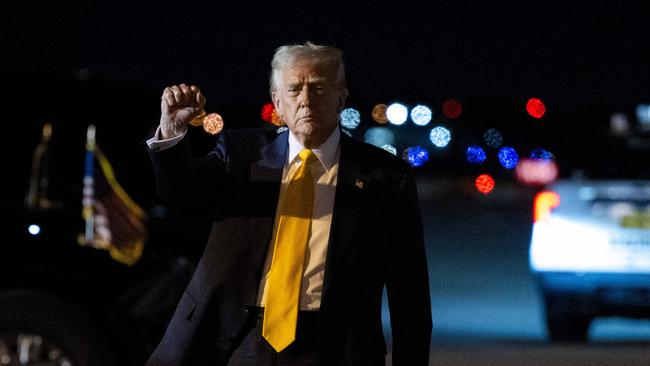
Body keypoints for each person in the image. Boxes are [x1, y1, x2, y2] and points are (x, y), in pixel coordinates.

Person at [145, 42, 431, 366]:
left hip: (335, 348)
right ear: (277, 102)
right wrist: (171, 129)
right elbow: (180, 192)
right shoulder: (241, 155)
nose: (306, 101)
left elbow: (410, 294)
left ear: (341, 95)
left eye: (319, 88)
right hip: (242, 340)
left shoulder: (387, 179)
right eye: (294, 90)